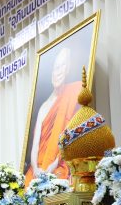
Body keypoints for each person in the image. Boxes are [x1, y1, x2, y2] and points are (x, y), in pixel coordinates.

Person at [25, 47, 82, 185]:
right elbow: (35, 146)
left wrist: (53, 165)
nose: (59, 71)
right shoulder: (44, 107)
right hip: (38, 166)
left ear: (67, 69)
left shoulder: (74, 92)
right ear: (51, 72)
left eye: (63, 66)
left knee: (58, 183)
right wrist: (36, 169)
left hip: (59, 163)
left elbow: (70, 136)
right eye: (56, 67)